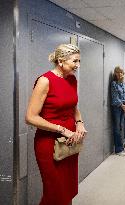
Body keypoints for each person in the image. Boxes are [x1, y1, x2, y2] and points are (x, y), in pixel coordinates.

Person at [25, 44, 87, 205]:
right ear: (61, 61)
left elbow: (72, 107)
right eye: (75, 61)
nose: (78, 65)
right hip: (49, 143)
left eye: (79, 61)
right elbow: (30, 117)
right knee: (54, 193)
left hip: (69, 142)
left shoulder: (72, 79)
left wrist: (79, 123)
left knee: (68, 189)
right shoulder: (45, 81)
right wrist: (62, 129)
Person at [110, 66, 125, 156]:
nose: (120, 74)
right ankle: (118, 149)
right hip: (117, 108)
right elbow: (115, 97)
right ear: (115, 73)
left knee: (121, 127)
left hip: (123, 107)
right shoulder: (114, 83)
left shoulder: (124, 84)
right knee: (117, 128)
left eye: (121, 72)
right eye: (118, 72)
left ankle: (121, 147)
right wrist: (123, 106)